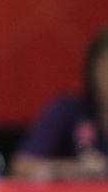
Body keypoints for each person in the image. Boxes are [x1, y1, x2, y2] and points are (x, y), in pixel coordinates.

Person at [12, 30, 108, 180]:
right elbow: (21, 167)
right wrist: (76, 169)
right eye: (105, 66)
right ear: (92, 68)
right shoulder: (68, 109)